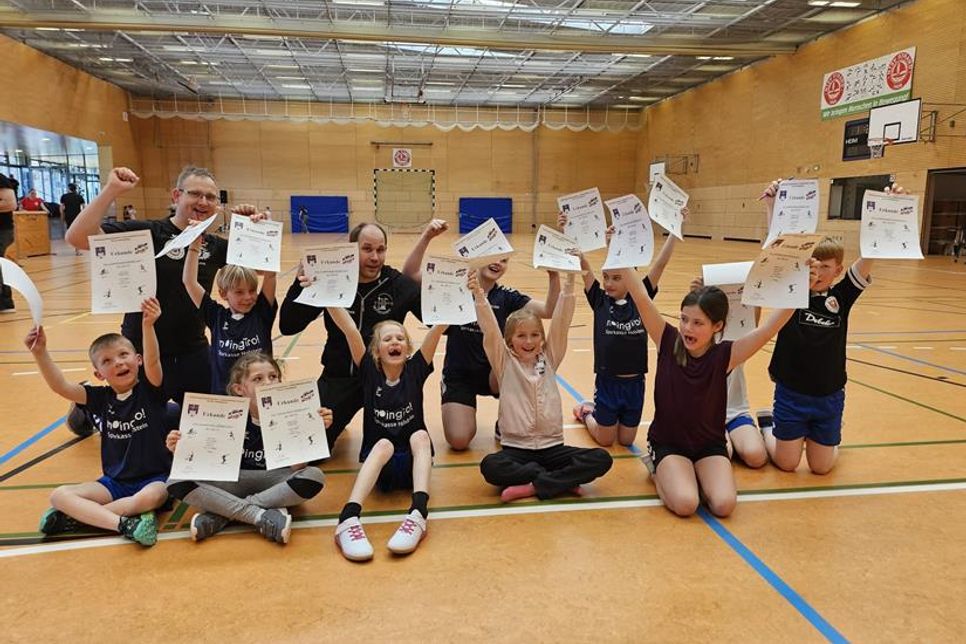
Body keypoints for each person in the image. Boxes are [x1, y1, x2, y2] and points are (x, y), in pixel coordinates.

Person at [64, 166, 268, 436]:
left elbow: (263, 267)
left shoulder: (215, 246)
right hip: (144, 348)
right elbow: (77, 238)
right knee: (138, 425)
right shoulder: (148, 232)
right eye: (195, 194)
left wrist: (252, 229)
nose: (203, 202)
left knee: (215, 422)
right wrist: (111, 191)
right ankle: (87, 408)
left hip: (192, 350)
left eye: (211, 197)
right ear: (176, 195)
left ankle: (164, 412)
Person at [622, 267, 798, 517]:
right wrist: (619, 253)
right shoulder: (667, 339)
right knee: (686, 504)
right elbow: (640, 297)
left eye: (697, 323)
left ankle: (687, 475)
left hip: (709, 444)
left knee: (724, 505)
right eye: (683, 319)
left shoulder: (725, 355)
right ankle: (657, 470)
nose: (687, 329)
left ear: (717, 326)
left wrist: (800, 285)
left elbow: (767, 330)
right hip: (669, 443)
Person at [760, 180, 905, 475]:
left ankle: (826, 435)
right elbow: (777, 247)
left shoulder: (842, 296)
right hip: (792, 393)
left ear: (838, 270)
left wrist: (887, 210)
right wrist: (772, 207)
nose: (821, 272)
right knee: (787, 464)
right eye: (815, 265)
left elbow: (869, 256)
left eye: (827, 267)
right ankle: (768, 425)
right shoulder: (791, 291)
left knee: (822, 468)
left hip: (829, 395)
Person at [402, 218, 560, 450]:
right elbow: (409, 274)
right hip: (459, 375)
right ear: (477, 256)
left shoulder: (508, 297)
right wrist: (427, 236)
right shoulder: (453, 286)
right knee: (458, 440)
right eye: (494, 256)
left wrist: (554, 276)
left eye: (504, 260)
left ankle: (506, 419)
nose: (498, 263)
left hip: (495, 375)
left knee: (515, 364)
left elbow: (548, 310)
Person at [26, 298, 171, 546]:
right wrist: (40, 353)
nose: (118, 362)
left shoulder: (151, 391)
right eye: (107, 361)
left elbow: (154, 361)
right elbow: (61, 387)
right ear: (98, 374)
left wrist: (148, 326)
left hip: (154, 478)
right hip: (113, 483)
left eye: (124, 355)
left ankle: (78, 519)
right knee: (59, 495)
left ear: (137, 360)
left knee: (151, 498)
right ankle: (123, 523)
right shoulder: (99, 399)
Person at [279, 222, 421, 451]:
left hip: (387, 383)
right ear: (352, 248)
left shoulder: (397, 285)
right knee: (309, 448)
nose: (375, 257)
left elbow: (439, 320)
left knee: (398, 451)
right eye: (367, 249)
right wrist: (299, 285)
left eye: (381, 249)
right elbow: (288, 325)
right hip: (339, 378)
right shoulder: (328, 279)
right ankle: (339, 415)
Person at [474, 270, 613, 502]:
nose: (528, 341)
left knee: (601, 458)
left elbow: (560, 323)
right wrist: (479, 296)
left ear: (542, 338)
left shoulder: (549, 358)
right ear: (509, 341)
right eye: (521, 336)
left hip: (552, 447)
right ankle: (559, 482)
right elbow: (490, 331)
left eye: (535, 335)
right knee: (490, 466)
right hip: (516, 448)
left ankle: (533, 486)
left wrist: (569, 284)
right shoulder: (504, 362)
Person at [165, 352, 329, 544]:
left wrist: (314, 427)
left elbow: (297, 468)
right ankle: (259, 515)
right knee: (175, 480)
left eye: (273, 376)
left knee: (313, 476)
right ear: (239, 389)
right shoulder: (224, 416)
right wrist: (181, 449)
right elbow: (205, 464)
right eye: (258, 379)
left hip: (274, 480)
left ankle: (223, 513)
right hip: (234, 480)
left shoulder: (292, 413)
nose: (267, 382)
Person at [326, 307, 446, 561]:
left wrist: (460, 291)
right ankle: (348, 518)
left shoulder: (416, 369)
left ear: (408, 348)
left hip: (415, 464)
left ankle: (418, 513)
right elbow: (349, 329)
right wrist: (327, 297)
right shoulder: (370, 371)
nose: (395, 342)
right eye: (387, 339)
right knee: (383, 444)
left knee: (421, 436)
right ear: (376, 350)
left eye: (400, 338)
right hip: (382, 466)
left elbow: (438, 328)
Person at [568, 208, 687, 447]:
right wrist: (570, 234)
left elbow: (661, 264)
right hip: (607, 382)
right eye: (606, 277)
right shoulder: (600, 300)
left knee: (626, 440)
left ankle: (604, 417)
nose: (609, 283)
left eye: (616, 277)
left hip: (635, 384)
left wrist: (676, 228)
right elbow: (584, 267)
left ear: (630, 276)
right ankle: (587, 412)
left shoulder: (640, 299)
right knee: (605, 440)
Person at [182, 235, 277, 396]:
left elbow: (271, 275)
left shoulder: (261, 313)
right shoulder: (216, 316)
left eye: (252, 291)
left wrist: (264, 233)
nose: (248, 297)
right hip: (225, 401)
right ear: (223, 293)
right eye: (239, 292)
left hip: (260, 398)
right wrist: (194, 247)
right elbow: (189, 282)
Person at [0, 175, 17, 313]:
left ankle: (5, 300)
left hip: (2, 230)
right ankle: (5, 301)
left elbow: (11, 204)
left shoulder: (1, 180)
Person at [60, 183, 85, 252]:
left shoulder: (64, 196)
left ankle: (72, 243)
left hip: (68, 216)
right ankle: (77, 249)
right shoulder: (79, 196)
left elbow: (61, 207)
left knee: (70, 230)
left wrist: (62, 215)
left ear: (69, 188)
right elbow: (84, 207)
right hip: (77, 216)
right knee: (77, 232)